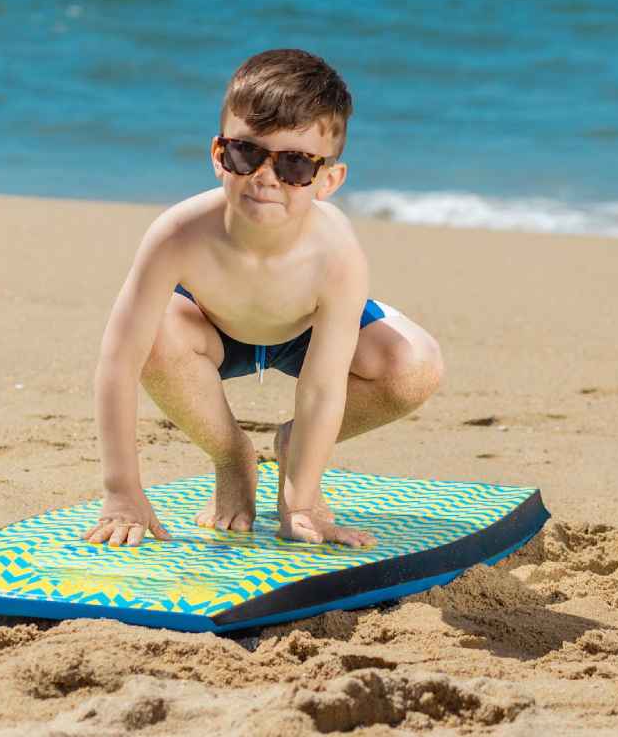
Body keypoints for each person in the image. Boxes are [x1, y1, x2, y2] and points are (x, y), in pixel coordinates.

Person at [81, 49, 445, 549]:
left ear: (328, 181)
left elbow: (322, 386)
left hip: (307, 330)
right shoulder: (178, 235)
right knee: (152, 336)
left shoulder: (336, 253)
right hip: (214, 326)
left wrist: (301, 501)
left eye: (295, 164)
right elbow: (118, 364)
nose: (266, 177)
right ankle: (233, 458)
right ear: (218, 155)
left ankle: (294, 451)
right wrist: (122, 492)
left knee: (414, 366)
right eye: (246, 153)